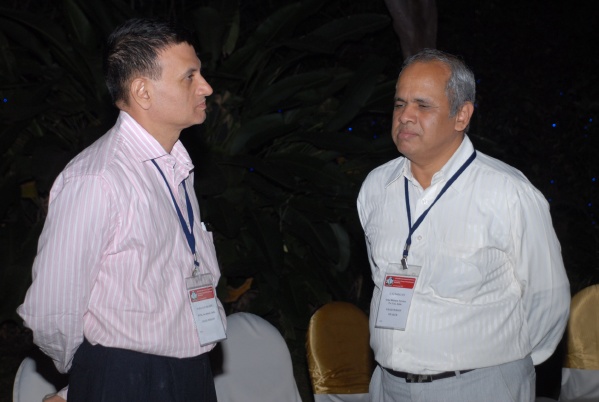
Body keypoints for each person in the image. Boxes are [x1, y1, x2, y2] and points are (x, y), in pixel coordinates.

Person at [18, 17, 225, 402]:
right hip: (128, 378)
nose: (206, 87)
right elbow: (51, 309)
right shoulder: (98, 178)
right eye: (189, 76)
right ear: (143, 91)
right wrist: (92, 376)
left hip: (191, 372)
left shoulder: (176, 168)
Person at [357, 48, 570, 401]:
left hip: (479, 388)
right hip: (387, 386)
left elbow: (548, 300)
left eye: (422, 105)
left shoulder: (508, 193)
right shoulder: (376, 187)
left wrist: (506, 368)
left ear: (461, 116)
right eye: (399, 104)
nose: (405, 116)